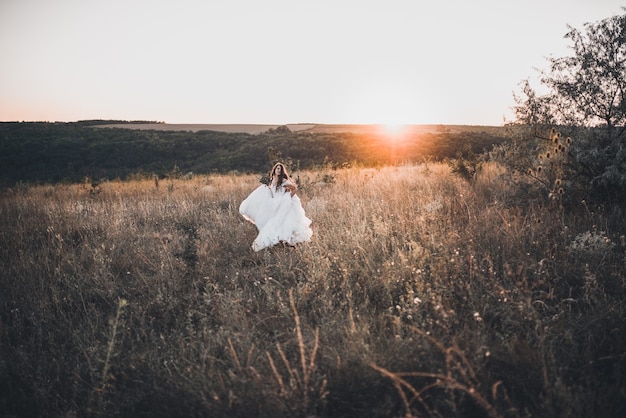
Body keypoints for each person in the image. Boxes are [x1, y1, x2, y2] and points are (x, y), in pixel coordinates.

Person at [239, 162, 313, 251]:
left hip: (282, 202)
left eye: (280, 169)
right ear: (274, 170)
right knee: (273, 221)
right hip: (274, 203)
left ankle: (289, 242)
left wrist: (287, 197)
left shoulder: (283, 180)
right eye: (277, 168)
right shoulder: (272, 179)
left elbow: (294, 188)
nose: (279, 170)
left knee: (284, 222)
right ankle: (279, 242)